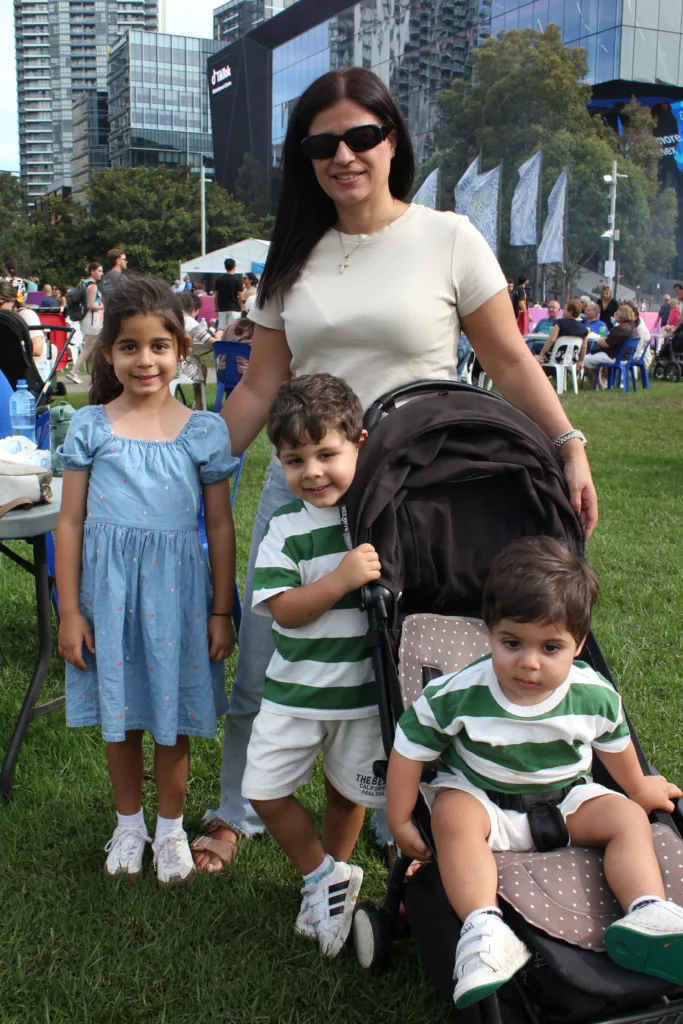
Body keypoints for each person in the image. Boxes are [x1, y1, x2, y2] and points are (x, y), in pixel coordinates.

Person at [190, 66, 598, 876]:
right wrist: (183, 463)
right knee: (272, 652)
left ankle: (395, 811)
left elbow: (509, 361)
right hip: (303, 484)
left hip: (418, 490)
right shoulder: (291, 257)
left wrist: (567, 443)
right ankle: (236, 810)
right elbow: (263, 384)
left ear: (392, 141)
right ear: (304, 158)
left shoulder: (447, 236)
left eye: (361, 136)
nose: (344, 154)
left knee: (407, 656)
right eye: (321, 143)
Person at [386, 536, 683, 1010]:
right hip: (484, 799)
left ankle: (648, 912)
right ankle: (484, 928)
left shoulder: (592, 694)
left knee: (628, 818)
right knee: (451, 816)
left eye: (550, 647)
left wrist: (638, 786)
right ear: (489, 633)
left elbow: (615, 745)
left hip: (566, 799)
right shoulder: (460, 692)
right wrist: (400, 815)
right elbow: (410, 745)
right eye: (512, 643)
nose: (529, 662)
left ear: (578, 645)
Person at [54, 276, 238, 887]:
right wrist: (70, 611)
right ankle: (128, 824)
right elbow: (71, 520)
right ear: (108, 353)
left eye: (159, 345)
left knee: (173, 714)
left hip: (180, 600)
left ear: (181, 350)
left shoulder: (204, 431)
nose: (145, 359)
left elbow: (218, 524)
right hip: (107, 598)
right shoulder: (90, 427)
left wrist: (219, 611)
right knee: (123, 709)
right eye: (129, 346)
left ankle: (170, 829)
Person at [237, 374, 385, 956]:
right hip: (295, 693)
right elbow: (287, 612)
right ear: (278, 462)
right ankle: (323, 875)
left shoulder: (379, 518)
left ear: (360, 444)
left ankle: (335, 881)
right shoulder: (285, 529)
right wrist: (341, 578)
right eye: (295, 460)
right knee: (265, 792)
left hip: (363, 694)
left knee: (346, 793)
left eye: (327, 453)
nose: (314, 472)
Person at [0, 280, 49, 378]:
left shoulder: (27, 315)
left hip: (32, 370)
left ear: (11, 301)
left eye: (0, 303)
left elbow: (38, 349)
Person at [66, 262, 104, 384]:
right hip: (92, 319)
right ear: (92, 271)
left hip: (86, 319)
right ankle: (74, 372)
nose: (101, 274)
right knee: (89, 347)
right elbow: (91, 305)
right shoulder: (93, 286)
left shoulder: (83, 283)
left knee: (90, 347)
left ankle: (94, 373)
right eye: (99, 271)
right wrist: (101, 306)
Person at [582, 303, 637, 387]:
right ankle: (600, 383)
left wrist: (601, 341)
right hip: (625, 357)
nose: (615, 315)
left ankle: (596, 384)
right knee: (592, 358)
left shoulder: (620, 329)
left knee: (586, 359)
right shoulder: (632, 327)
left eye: (617, 313)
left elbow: (606, 344)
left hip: (615, 357)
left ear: (623, 315)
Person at [534, 297, 589, 364]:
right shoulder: (584, 329)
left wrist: (541, 354)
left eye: (565, 309)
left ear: (570, 311)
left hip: (556, 357)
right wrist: (581, 360)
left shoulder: (560, 323)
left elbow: (552, 340)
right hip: (573, 359)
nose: (563, 311)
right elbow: (584, 347)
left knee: (534, 358)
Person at [214, 259, 244, 330]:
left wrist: (216, 309)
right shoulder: (237, 280)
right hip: (234, 308)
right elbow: (241, 297)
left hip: (222, 308)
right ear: (234, 266)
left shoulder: (219, 280)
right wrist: (242, 308)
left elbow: (216, 297)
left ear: (225, 267)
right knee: (233, 329)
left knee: (221, 329)